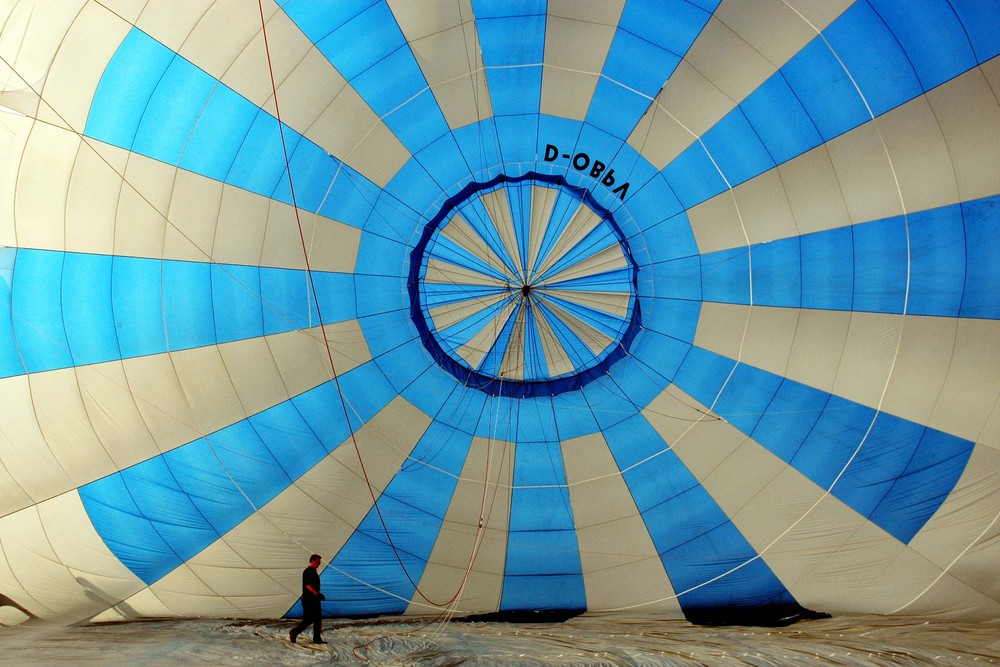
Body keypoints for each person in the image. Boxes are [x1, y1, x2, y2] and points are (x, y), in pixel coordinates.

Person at [289, 554, 326, 644]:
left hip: (314, 600)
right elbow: (308, 586)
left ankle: (317, 639)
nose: (319, 564)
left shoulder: (314, 572)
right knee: (309, 619)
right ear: (312, 561)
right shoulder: (307, 572)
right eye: (318, 562)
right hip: (309, 600)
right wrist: (317, 594)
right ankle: (294, 632)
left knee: (317, 619)